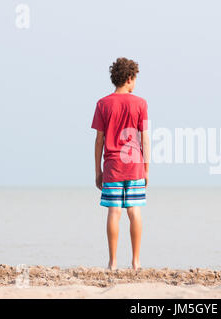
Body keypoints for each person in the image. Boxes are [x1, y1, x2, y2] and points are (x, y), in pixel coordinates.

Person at [91, 57, 150, 271]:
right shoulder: (141, 104)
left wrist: (97, 170)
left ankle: (113, 262)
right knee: (134, 211)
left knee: (113, 212)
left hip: (113, 165)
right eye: (135, 79)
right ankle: (136, 261)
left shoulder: (103, 103)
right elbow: (145, 139)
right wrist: (146, 168)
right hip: (134, 164)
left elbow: (99, 140)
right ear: (129, 78)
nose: (136, 83)